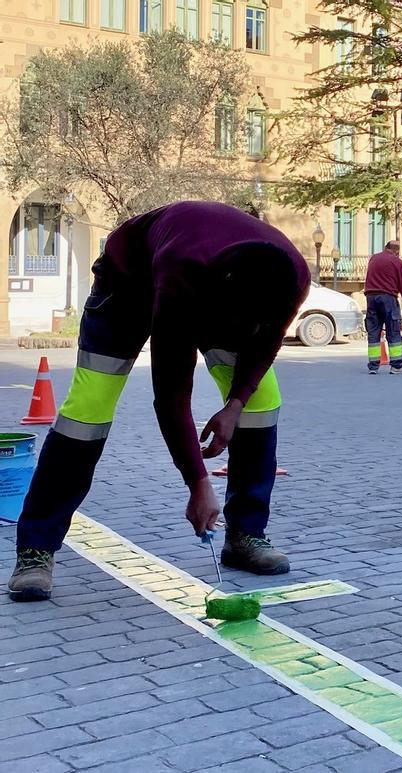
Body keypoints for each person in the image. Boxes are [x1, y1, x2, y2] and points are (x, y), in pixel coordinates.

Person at [7, 201, 310, 602]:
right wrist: (198, 482)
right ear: (217, 304)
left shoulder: (291, 277)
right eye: (236, 324)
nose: (242, 332)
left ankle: (246, 534)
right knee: (88, 410)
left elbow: (264, 345)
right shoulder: (183, 275)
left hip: (216, 286)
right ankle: (35, 550)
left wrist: (235, 404)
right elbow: (170, 394)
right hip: (127, 286)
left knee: (261, 400)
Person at [363, 240, 402, 374]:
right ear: (397, 251)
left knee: (373, 332)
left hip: (371, 298)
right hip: (388, 298)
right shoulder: (397, 262)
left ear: (385, 247)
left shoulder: (373, 259)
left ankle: (373, 366)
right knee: (394, 330)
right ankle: (396, 366)